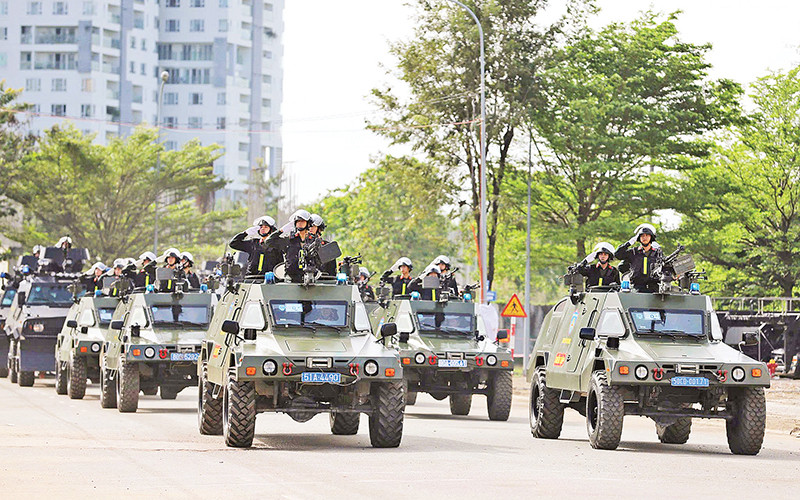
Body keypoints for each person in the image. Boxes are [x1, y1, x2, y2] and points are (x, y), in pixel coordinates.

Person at [615, 223, 663, 292]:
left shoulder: (657, 253)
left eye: (647, 235)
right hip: (636, 288)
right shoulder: (633, 252)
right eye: (642, 236)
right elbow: (617, 254)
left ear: (651, 237)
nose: (644, 238)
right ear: (639, 238)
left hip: (654, 288)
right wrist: (629, 243)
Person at [285, 210, 316, 283]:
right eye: (298, 221)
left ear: (308, 224)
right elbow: (269, 241)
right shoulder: (289, 240)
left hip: (311, 278)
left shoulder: (314, 241)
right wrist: (282, 230)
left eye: (302, 221)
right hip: (291, 278)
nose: (300, 224)